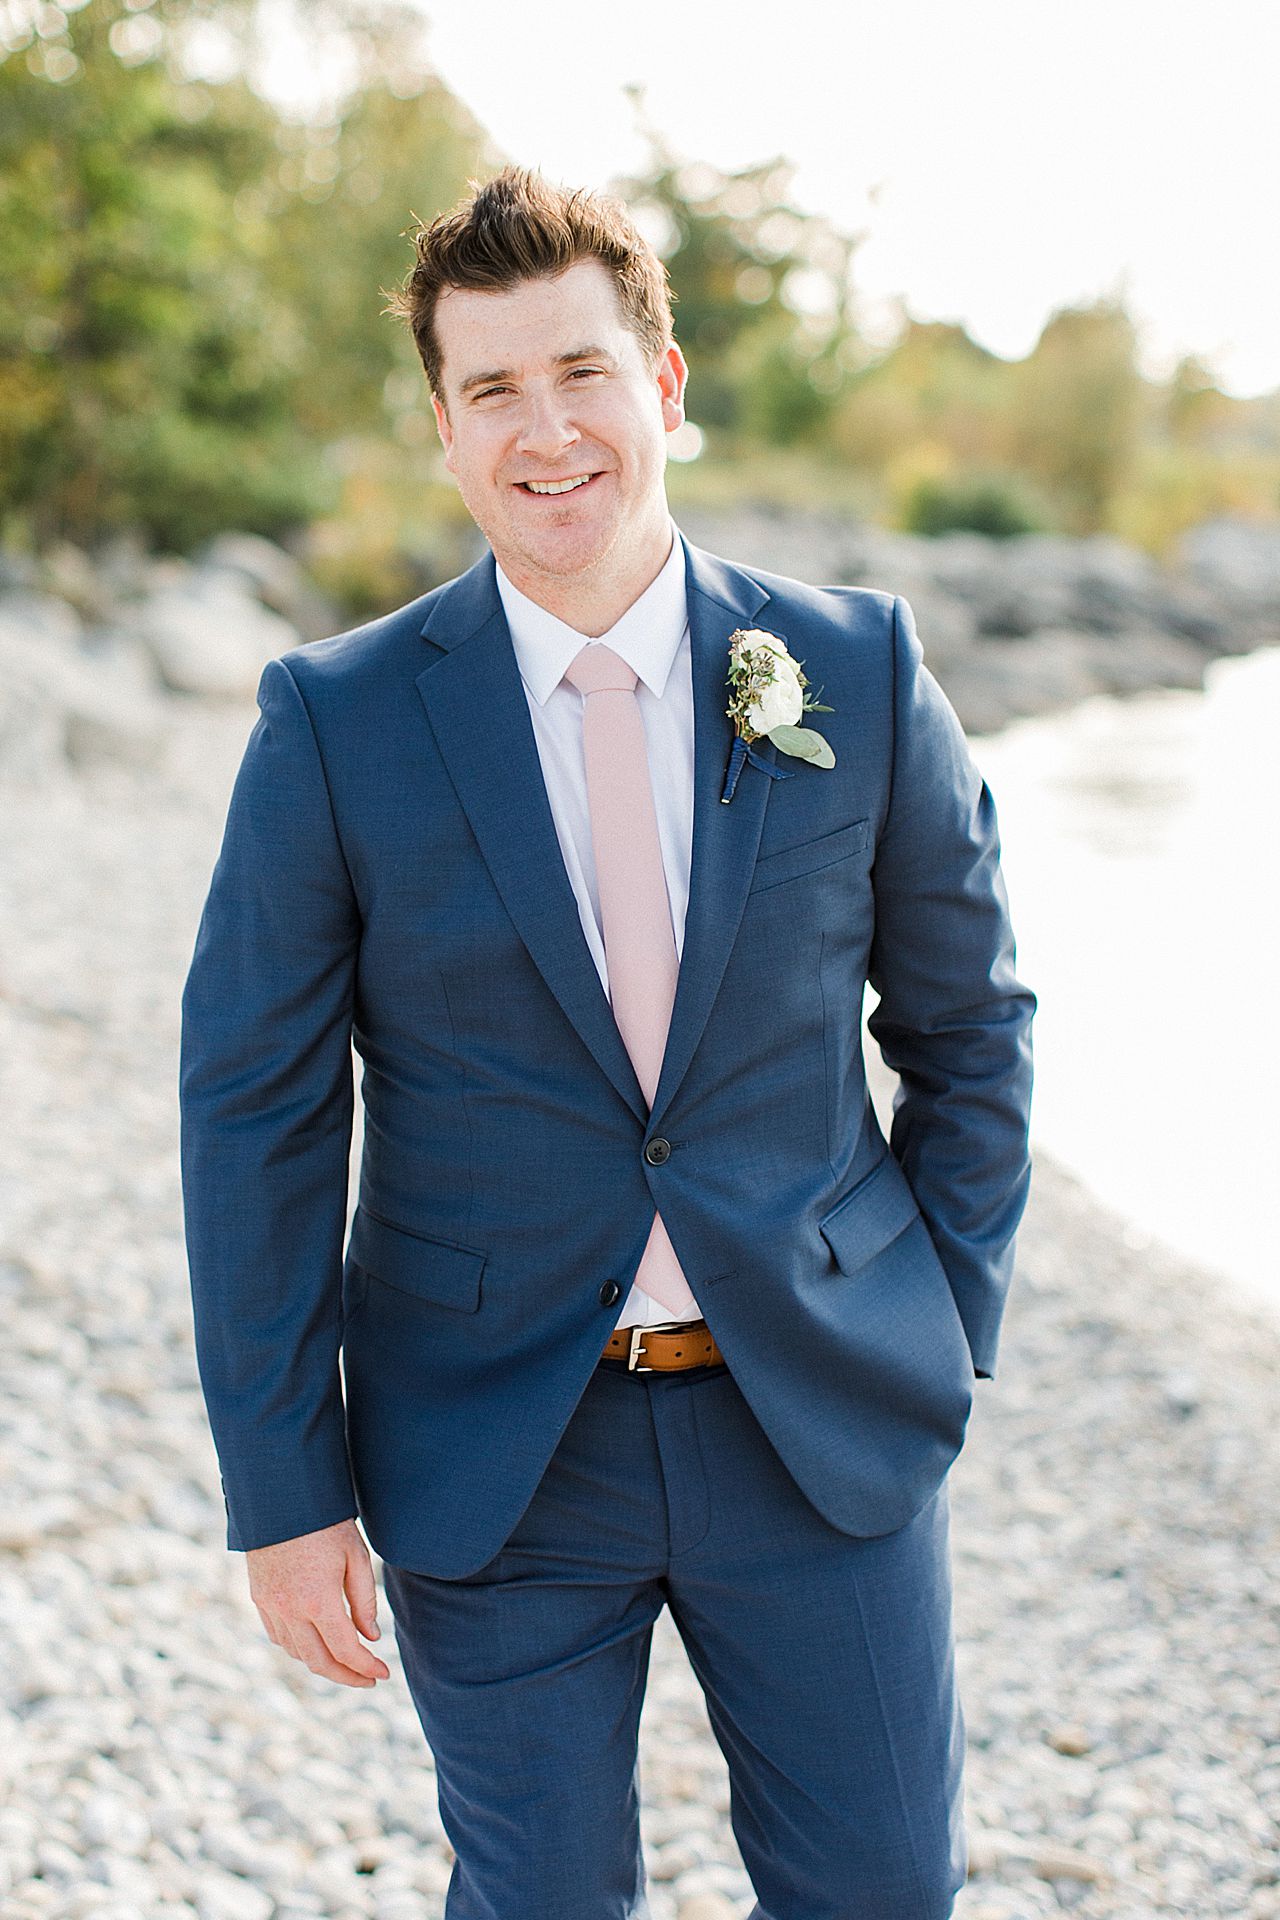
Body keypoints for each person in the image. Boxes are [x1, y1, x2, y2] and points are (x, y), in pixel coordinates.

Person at [180, 165, 1034, 1920]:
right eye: (490, 389)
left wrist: (939, 1318)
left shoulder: (854, 672)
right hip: (492, 1444)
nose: (543, 429)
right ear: (441, 428)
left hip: (817, 1417)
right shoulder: (335, 725)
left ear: (665, 385)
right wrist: (284, 1493)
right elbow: (254, 1120)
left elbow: (971, 1025)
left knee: (883, 1894)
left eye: (580, 373)